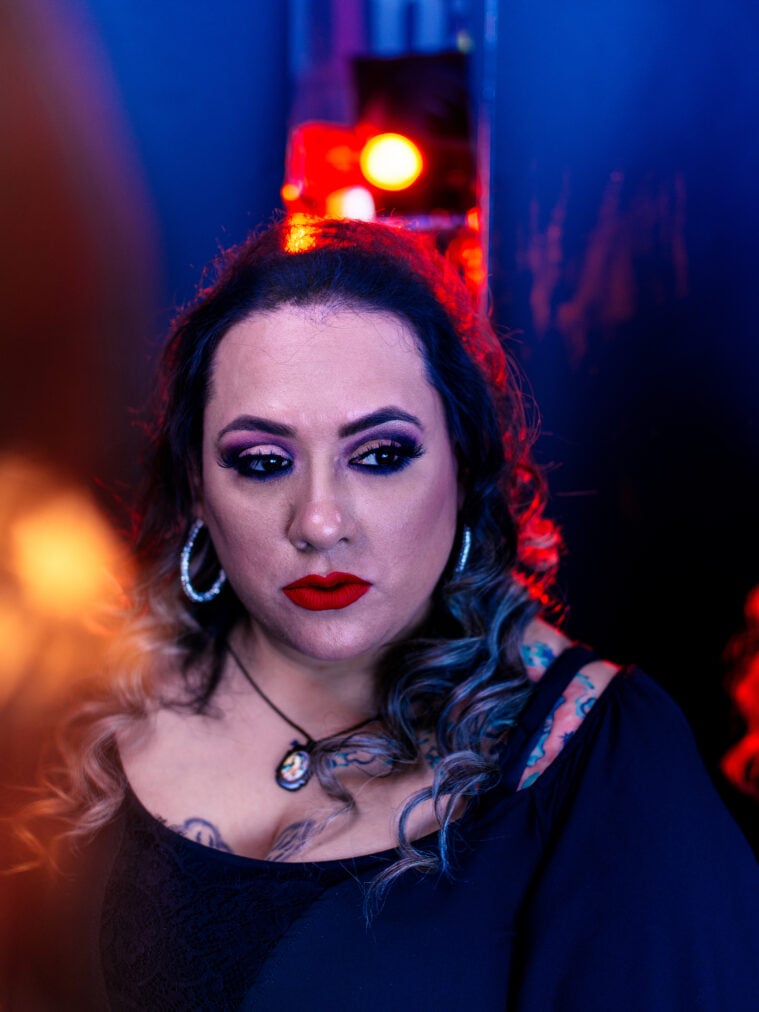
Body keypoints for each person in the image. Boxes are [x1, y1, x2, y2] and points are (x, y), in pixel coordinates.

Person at [3, 216, 758, 1010]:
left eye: (381, 455)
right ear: (195, 485)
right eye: (263, 463)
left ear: (464, 467)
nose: (320, 520)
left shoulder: (601, 759)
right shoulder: (66, 708)